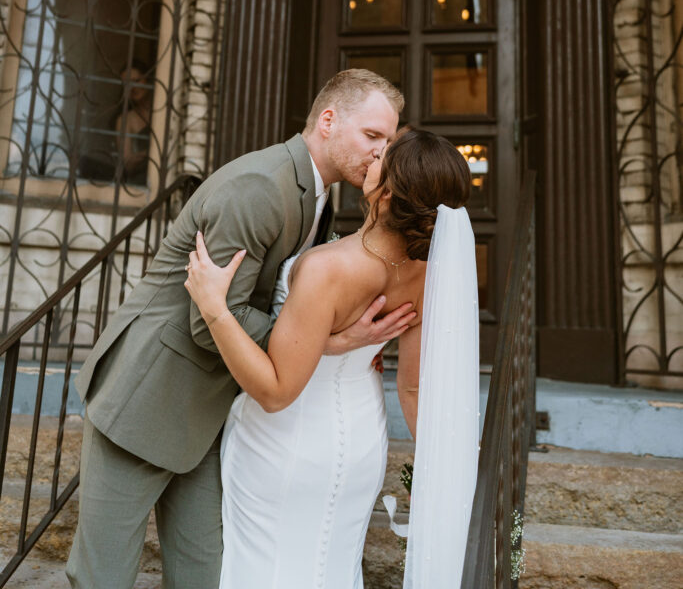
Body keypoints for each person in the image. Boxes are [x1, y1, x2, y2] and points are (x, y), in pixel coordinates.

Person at [66, 69, 414, 589]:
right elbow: (209, 321)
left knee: (205, 575)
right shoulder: (260, 188)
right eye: (372, 136)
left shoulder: (319, 196)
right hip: (147, 399)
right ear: (328, 120)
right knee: (103, 576)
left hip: (207, 413)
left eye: (388, 141)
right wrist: (329, 341)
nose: (380, 154)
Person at [184, 127, 476, 588]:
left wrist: (214, 309)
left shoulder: (329, 268)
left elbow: (277, 392)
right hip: (362, 440)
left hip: (284, 443)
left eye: (384, 155)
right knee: (332, 567)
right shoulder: (429, 273)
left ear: (389, 192)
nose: (375, 154)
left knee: (268, 568)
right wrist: (453, 471)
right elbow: (414, 388)